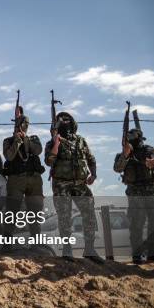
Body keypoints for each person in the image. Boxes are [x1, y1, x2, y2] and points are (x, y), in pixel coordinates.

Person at [44, 112, 104, 263]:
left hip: (80, 184)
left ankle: (89, 249)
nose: (65, 122)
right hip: (61, 185)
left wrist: (94, 175)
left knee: (89, 214)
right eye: (61, 120)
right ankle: (67, 249)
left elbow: (91, 159)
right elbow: (49, 162)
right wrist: (56, 143)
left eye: (68, 120)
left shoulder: (80, 140)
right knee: (64, 217)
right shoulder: (51, 142)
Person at [114, 128, 154, 264]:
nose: (130, 138)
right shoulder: (123, 154)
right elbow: (117, 168)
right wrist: (125, 155)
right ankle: (137, 254)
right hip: (135, 194)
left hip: (153, 193)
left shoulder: (151, 151)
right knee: (136, 224)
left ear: (140, 137)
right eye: (128, 136)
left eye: (133, 135)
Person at [2, 113, 45, 239]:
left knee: (35, 211)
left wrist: (25, 139)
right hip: (16, 179)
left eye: (26, 124)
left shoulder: (34, 139)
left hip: (35, 179)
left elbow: (37, 150)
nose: (24, 126)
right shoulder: (8, 141)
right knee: (12, 210)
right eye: (22, 124)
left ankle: (36, 241)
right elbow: (9, 156)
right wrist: (17, 141)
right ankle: (7, 241)